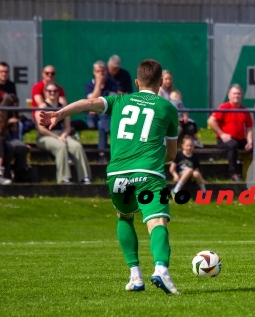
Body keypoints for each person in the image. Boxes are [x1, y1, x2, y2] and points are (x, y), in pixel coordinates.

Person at [39, 59, 180, 296]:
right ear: (160, 84)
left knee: (124, 217)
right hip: (148, 173)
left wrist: (60, 113)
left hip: (117, 174)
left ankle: (135, 276)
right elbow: (172, 154)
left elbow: (90, 102)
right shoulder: (168, 108)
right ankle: (161, 270)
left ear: (137, 82)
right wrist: (152, 155)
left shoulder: (119, 100)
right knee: (156, 221)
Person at [207, 84, 255, 182]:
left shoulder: (244, 110)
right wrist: (222, 134)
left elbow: (248, 128)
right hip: (225, 140)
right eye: (234, 93)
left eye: (238, 94)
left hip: (240, 140)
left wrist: (249, 141)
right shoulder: (224, 107)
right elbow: (211, 121)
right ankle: (233, 174)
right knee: (232, 145)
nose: (236, 96)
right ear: (229, 95)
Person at [36, 84, 91, 184]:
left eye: (55, 91)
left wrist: (63, 135)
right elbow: (41, 129)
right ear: (45, 92)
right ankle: (64, 178)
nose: (52, 93)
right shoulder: (42, 107)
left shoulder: (62, 107)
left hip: (61, 134)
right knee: (61, 146)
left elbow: (68, 127)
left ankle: (85, 177)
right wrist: (57, 137)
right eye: (49, 91)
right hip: (46, 136)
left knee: (76, 146)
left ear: (58, 92)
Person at [86, 60, 118, 164]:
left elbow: (112, 102)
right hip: (92, 117)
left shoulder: (112, 84)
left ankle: (102, 155)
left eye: (103, 71)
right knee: (102, 116)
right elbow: (91, 101)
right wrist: (98, 84)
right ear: (94, 72)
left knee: (101, 124)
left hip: (105, 116)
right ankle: (111, 131)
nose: (101, 74)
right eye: (98, 71)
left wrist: (97, 106)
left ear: (107, 72)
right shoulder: (89, 85)